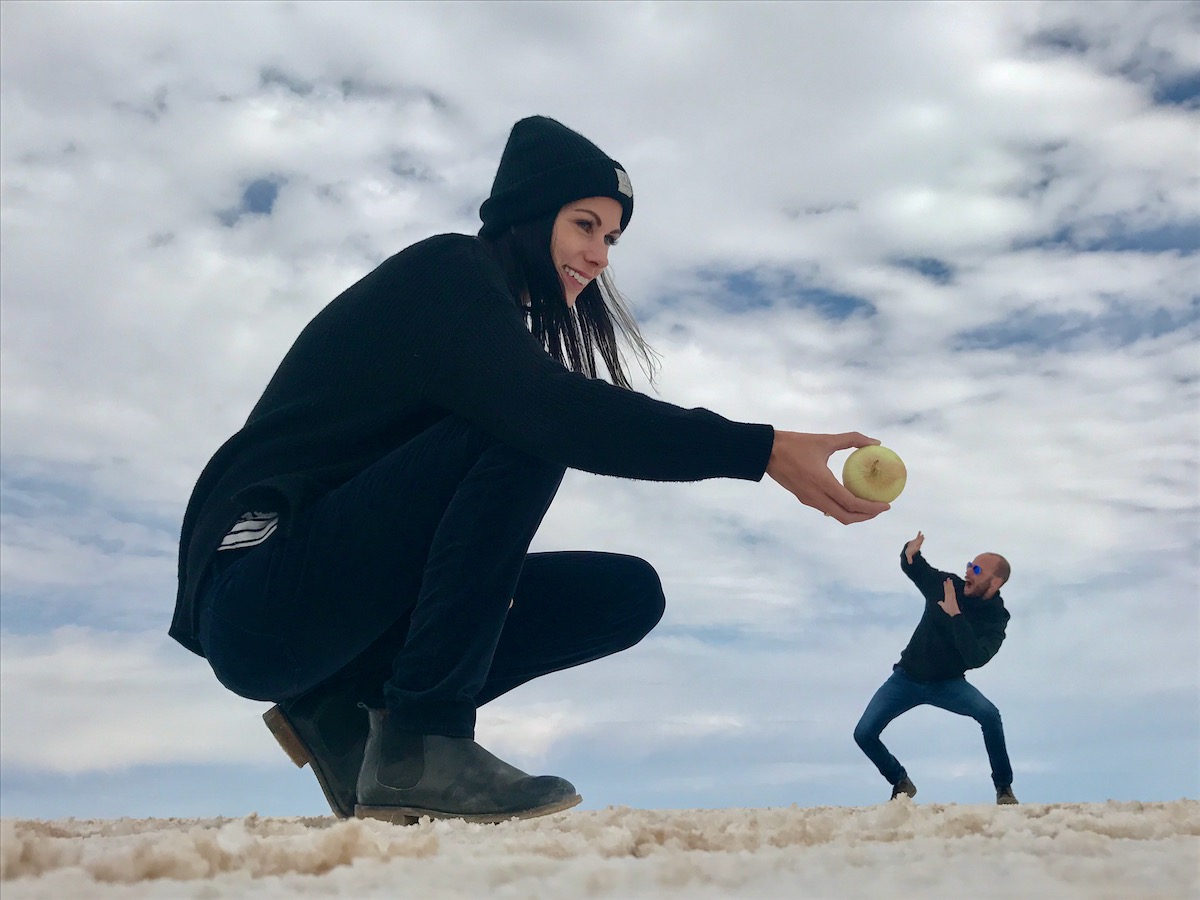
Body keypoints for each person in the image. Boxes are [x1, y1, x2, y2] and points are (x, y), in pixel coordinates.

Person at [171, 115, 891, 825]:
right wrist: (760, 448)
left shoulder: (490, 328)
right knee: (531, 422)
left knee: (624, 595)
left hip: (324, 621)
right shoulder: (449, 271)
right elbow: (547, 411)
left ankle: (347, 714)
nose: (601, 255)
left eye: (611, 237)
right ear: (527, 214)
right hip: (259, 596)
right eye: (585, 225)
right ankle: (425, 738)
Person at [853, 530, 1018, 805]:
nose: (968, 571)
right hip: (906, 678)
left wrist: (955, 615)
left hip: (948, 684)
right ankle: (900, 781)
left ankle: (1004, 788)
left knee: (989, 715)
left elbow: (976, 658)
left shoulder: (996, 618)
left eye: (976, 569)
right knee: (863, 733)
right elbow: (915, 567)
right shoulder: (948, 585)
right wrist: (909, 550)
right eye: (969, 565)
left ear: (995, 581)